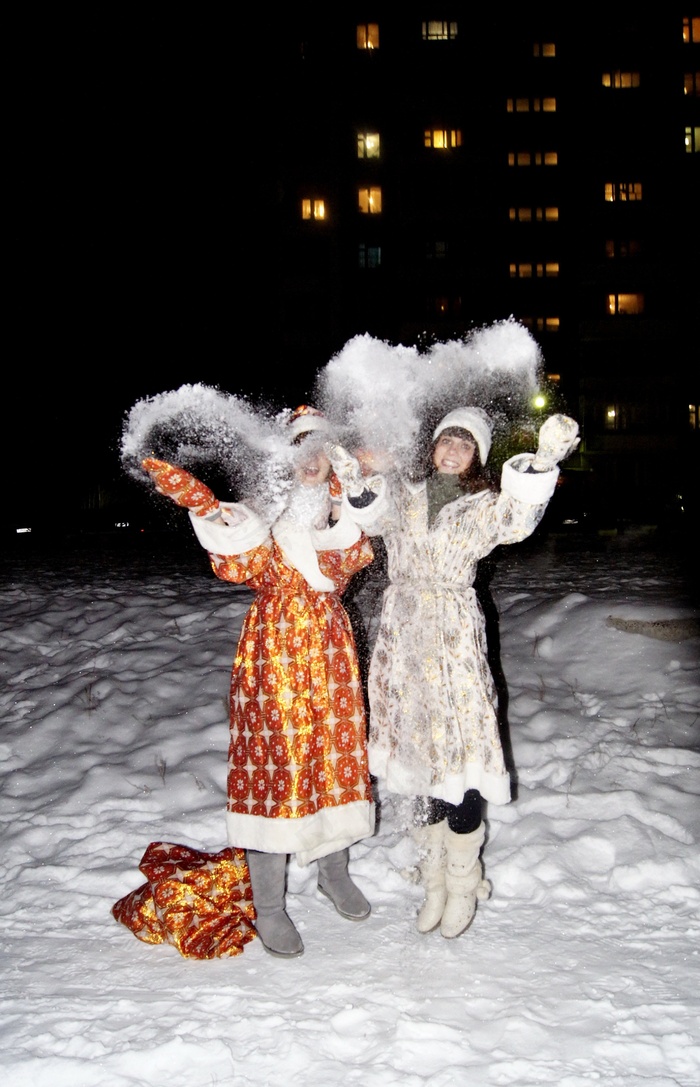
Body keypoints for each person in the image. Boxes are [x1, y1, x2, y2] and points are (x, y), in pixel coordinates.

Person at [329, 407, 579, 939]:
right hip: (403, 637)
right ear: (434, 446)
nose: (453, 451)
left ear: (476, 459)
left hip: (453, 636)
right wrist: (355, 483)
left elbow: (518, 519)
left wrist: (543, 462)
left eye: (466, 446)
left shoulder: (482, 506)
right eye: (448, 441)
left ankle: (463, 880)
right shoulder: (404, 494)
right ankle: (433, 876)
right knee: (415, 757)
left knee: (461, 753)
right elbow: (370, 518)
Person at [141, 406, 376, 958]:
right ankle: (269, 903)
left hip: (330, 648)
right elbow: (238, 558)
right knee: (278, 763)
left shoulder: (343, 513)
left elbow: (348, 556)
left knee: (333, 757)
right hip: (274, 652)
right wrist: (206, 507)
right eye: (301, 450)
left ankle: (332, 871)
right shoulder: (264, 514)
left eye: (321, 450)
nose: (312, 460)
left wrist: (354, 493)